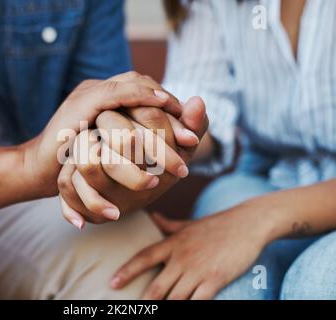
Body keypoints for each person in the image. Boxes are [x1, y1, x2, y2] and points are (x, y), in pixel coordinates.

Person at [0, 0, 208, 299]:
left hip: (17, 206)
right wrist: (27, 165)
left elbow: (103, 117)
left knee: (131, 269)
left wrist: (117, 154)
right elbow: (36, 164)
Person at [107, 0, 336, 300]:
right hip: (268, 175)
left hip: (278, 199)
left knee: (316, 284)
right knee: (226, 288)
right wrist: (157, 136)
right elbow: (202, 101)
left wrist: (257, 219)